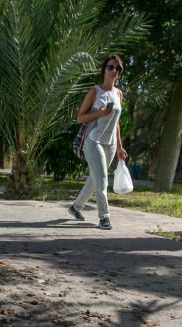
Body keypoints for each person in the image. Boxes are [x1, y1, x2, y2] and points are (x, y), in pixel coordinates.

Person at [68, 55, 127, 230]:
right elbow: (80, 118)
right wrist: (99, 114)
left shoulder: (118, 94)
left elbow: (116, 123)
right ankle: (104, 217)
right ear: (104, 70)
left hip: (110, 144)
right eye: (110, 67)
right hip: (93, 141)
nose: (114, 71)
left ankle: (75, 207)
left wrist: (120, 146)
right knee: (102, 180)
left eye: (117, 69)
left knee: (94, 180)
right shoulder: (95, 92)